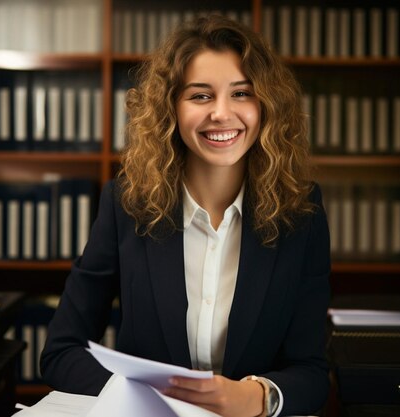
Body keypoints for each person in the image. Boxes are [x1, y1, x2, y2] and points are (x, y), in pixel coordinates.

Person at [41, 14, 331, 417]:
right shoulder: (127, 203)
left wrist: (256, 396)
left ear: (266, 105)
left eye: (242, 93)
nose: (222, 113)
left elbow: (313, 373)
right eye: (200, 96)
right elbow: (60, 351)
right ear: (170, 108)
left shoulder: (303, 213)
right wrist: (147, 395)